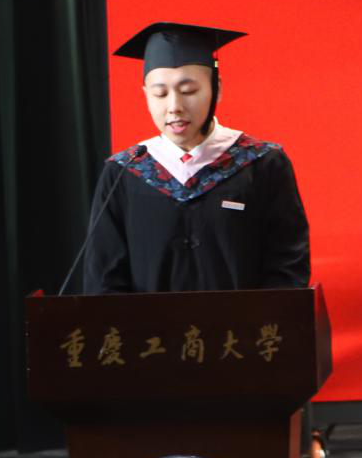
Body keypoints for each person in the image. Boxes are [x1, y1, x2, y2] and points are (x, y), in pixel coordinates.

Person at [82, 22, 310, 294]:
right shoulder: (124, 172)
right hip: (148, 324)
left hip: (243, 323)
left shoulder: (262, 164)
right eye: (160, 94)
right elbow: (103, 279)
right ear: (146, 96)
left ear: (216, 88)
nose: (174, 107)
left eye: (188, 91)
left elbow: (286, 268)